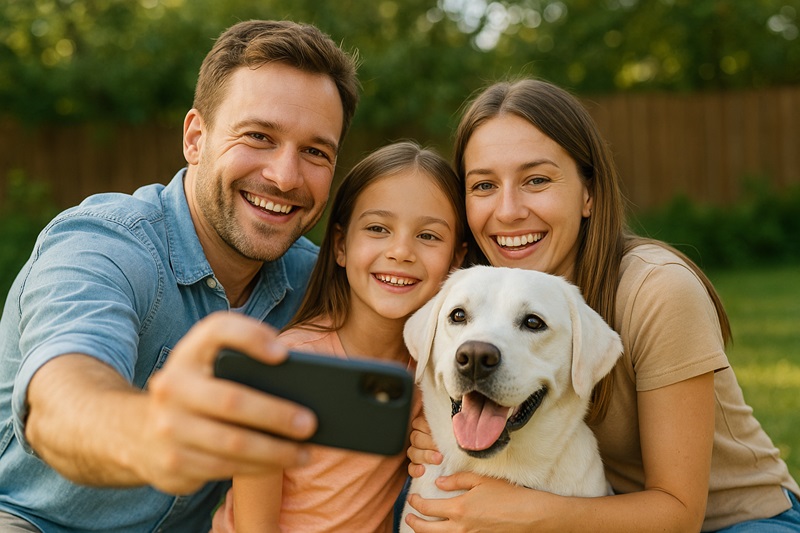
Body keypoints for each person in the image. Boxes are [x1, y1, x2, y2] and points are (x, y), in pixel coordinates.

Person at [0, 19, 359, 532]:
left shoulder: (314, 282)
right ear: (195, 138)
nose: (285, 176)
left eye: (315, 152)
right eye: (259, 136)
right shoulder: (104, 245)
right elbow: (63, 395)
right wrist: (151, 433)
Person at [402, 78, 800, 532]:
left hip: (734, 520)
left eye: (537, 180)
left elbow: (681, 514)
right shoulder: (473, 291)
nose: (508, 210)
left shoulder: (657, 289)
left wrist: (526, 513)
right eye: (484, 185)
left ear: (588, 193)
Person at [230, 141, 467, 532]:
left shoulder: (439, 369)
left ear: (456, 260)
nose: (401, 251)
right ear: (340, 245)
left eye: (428, 236)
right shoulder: (289, 365)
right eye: (378, 229)